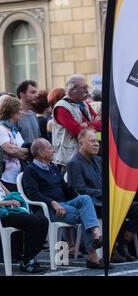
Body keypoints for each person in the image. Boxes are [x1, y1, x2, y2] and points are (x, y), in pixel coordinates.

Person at [22, 138, 107, 269]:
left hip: (64, 205)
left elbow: (66, 189)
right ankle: (93, 254)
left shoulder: (53, 168)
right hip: (48, 210)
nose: (53, 150)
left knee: (85, 199)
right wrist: (52, 203)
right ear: (41, 153)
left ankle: (94, 233)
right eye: (50, 148)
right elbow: (32, 194)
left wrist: (77, 191)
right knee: (87, 215)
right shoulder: (30, 170)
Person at [67, 128, 138, 262]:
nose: (96, 144)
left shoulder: (99, 160)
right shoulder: (74, 163)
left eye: (97, 141)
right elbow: (79, 189)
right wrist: (105, 194)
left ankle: (123, 242)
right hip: (93, 203)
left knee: (134, 207)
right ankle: (113, 248)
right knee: (115, 208)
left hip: (108, 199)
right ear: (81, 143)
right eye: (92, 141)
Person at [52, 75, 101, 169]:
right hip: (68, 160)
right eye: (84, 88)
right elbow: (78, 132)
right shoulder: (62, 107)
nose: (87, 90)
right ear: (72, 90)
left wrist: (87, 124)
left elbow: (102, 124)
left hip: (86, 156)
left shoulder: (84, 104)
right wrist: (93, 125)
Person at [0, 96, 30, 191]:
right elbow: (11, 150)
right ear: (11, 111)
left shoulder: (15, 131)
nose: (22, 112)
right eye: (19, 109)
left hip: (18, 176)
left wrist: (22, 151)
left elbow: (24, 151)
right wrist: (25, 151)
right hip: (5, 178)